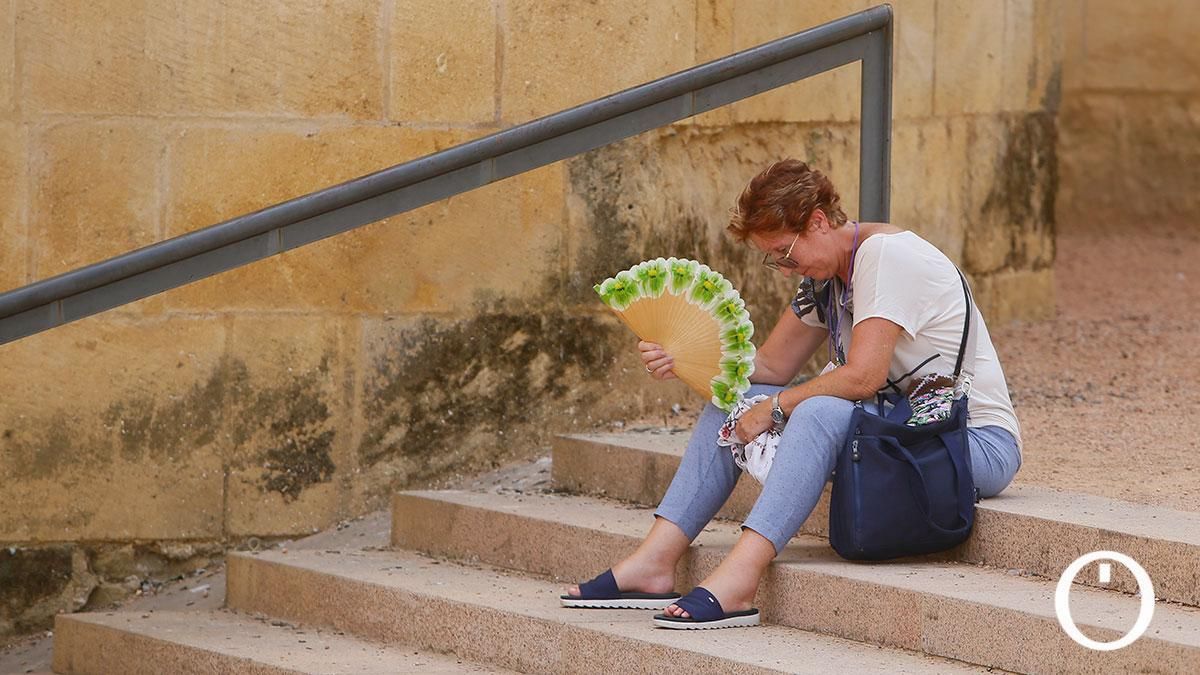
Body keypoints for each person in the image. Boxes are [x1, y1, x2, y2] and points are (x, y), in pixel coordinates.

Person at [561, 159, 1023, 629]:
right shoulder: (825, 279)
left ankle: (741, 578)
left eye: (785, 252)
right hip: (894, 435)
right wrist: (681, 359)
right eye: (774, 258)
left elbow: (862, 376)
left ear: (818, 222)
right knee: (735, 399)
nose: (784, 269)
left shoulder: (886, 258)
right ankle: (655, 562)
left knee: (817, 410)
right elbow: (769, 367)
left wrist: (775, 408)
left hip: (967, 443)